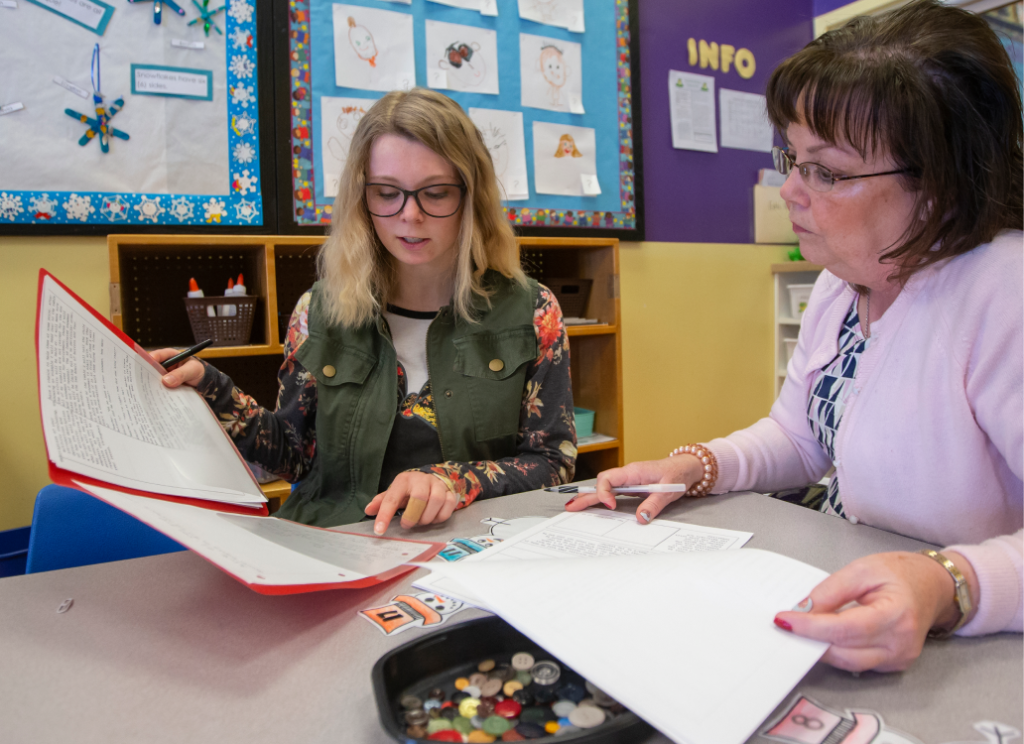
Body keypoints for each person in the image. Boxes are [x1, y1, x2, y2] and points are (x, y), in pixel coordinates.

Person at [568, 0, 1024, 672]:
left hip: (977, 649)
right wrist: (699, 466)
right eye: (793, 159)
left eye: (827, 171)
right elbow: (802, 437)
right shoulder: (847, 281)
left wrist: (948, 583)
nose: (790, 191)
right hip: (858, 586)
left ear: (941, 183)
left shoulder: (1003, 291)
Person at [157, 88, 576, 531]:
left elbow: (553, 464)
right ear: (362, 197)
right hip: (334, 541)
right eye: (386, 193)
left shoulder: (532, 311)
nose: (409, 215)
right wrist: (213, 389)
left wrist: (455, 480)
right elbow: (296, 459)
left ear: (471, 197)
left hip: (466, 548)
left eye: (435, 194)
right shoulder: (318, 311)